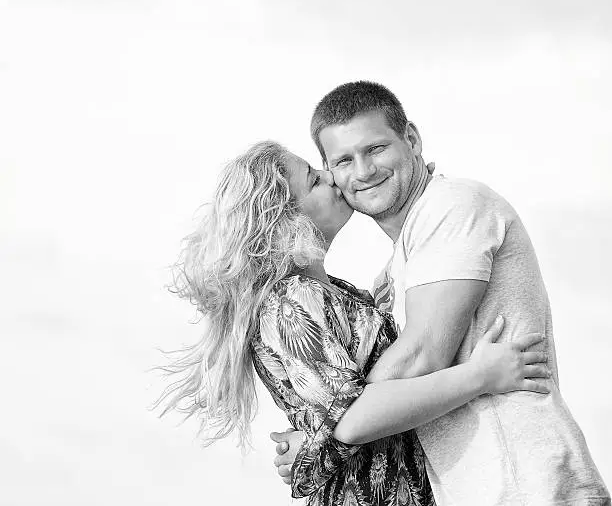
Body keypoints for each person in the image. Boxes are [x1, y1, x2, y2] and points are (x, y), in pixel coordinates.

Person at [158, 140, 551, 506]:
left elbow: (344, 413)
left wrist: (315, 445)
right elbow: (353, 419)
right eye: (314, 179)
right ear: (284, 218)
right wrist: (481, 376)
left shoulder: (334, 292)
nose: (332, 177)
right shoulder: (290, 301)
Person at [271, 81, 610, 505]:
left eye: (376, 148)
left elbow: (423, 354)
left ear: (411, 139)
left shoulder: (452, 206)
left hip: (531, 482)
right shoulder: (398, 266)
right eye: (343, 160)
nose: (362, 171)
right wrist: (334, 422)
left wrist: (325, 435)